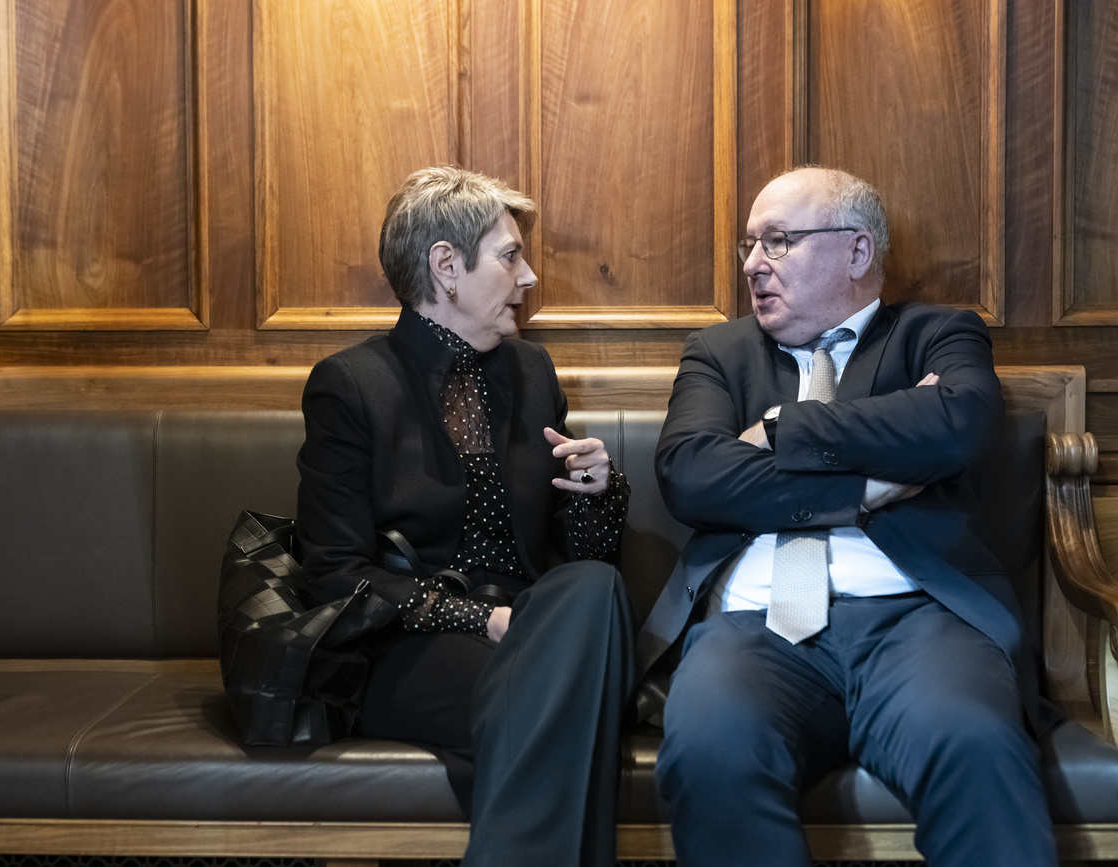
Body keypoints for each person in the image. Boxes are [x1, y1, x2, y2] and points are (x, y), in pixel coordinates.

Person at [636, 166, 1059, 866]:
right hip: (752, 628)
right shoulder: (719, 352)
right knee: (709, 747)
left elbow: (958, 423)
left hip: (918, 623)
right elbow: (692, 474)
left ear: (857, 251)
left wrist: (777, 428)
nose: (752, 265)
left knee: (975, 744)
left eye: (777, 241)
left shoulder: (937, 334)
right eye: (750, 245)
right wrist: (864, 486)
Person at [296, 166, 635, 867]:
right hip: (410, 645)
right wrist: (480, 620)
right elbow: (334, 577)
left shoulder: (533, 373)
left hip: (540, 628)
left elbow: (586, 563)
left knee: (594, 594)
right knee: (571, 702)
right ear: (446, 266)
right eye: (511, 256)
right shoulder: (351, 385)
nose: (531, 275)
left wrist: (595, 493)